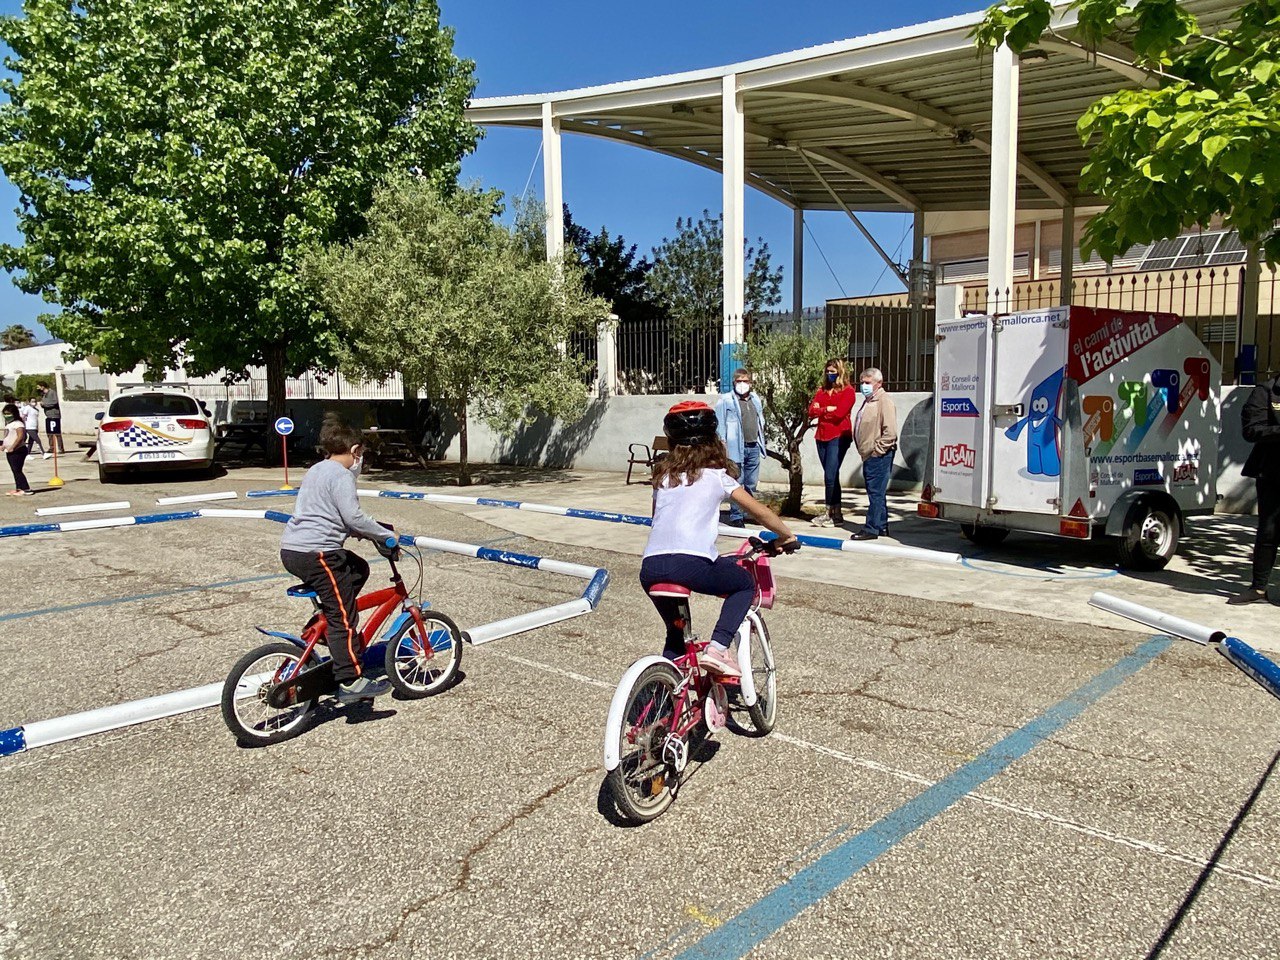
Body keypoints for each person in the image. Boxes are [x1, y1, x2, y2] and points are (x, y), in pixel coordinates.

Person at [640, 400, 799, 675]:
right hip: (691, 564)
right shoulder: (717, 477)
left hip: (651, 567)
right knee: (744, 585)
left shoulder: (663, 477)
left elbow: (658, 519)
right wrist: (787, 535)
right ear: (713, 442)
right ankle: (717, 648)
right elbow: (759, 512)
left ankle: (665, 703)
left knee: (676, 633)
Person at [279, 419, 400, 702]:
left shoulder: (317, 469)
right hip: (319, 553)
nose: (361, 461)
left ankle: (325, 626)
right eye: (362, 455)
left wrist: (371, 531)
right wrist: (385, 536)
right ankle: (349, 681)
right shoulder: (342, 475)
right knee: (344, 617)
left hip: (293, 550)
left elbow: (334, 515)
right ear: (355, 450)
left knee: (358, 568)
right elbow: (353, 516)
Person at [1229, 374, 1280, 604]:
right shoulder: (1266, 392)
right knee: (1269, 530)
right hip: (1272, 472)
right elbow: (1251, 429)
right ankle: (1258, 588)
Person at [849, 367, 898, 541]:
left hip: (878, 455)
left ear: (879, 383)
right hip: (869, 454)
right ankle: (881, 525)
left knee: (875, 493)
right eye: (862, 383)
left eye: (867, 383)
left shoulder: (884, 401)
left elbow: (890, 432)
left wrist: (877, 451)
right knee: (877, 492)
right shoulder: (870, 400)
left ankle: (871, 528)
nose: (864, 386)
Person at [715, 367, 767, 527]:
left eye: (745, 381)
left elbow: (760, 421)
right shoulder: (726, 400)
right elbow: (720, 423)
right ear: (734, 382)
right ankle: (736, 516)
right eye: (739, 381)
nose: (742, 384)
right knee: (737, 481)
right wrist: (723, 444)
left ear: (750, 383)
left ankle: (748, 512)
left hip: (753, 446)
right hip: (735, 448)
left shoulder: (755, 399)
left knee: (751, 482)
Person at [807, 358, 857, 526]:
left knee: (830, 475)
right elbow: (811, 411)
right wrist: (825, 410)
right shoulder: (822, 390)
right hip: (821, 435)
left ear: (840, 372)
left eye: (833, 372)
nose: (830, 374)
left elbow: (839, 414)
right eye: (827, 371)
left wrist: (822, 412)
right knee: (832, 475)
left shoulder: (848, 391)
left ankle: (829, 512)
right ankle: (836, 513)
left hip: (838, 435)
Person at [3, 403, 33, 496]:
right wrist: (4, 445)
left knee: (17, 470)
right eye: (5, 414)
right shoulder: (9, 424)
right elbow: (8, 437)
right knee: (14, 470)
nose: (6, 416)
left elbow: (20, 437)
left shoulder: (18, 424)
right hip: (9, 451)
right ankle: (18, 488)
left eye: (8, 413)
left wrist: (13, 447)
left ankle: (26, 488)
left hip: (18, 450)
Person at [37, 381, 63, 457]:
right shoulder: (44, 395)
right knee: (49, 433)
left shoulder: (52, 392)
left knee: (57, 433)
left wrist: (45, 405)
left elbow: (54, 402)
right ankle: (52, 448)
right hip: (48, 416)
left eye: (39, 386)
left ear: (43, 386)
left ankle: (60, 448)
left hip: (54, 415)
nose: (38, 388)